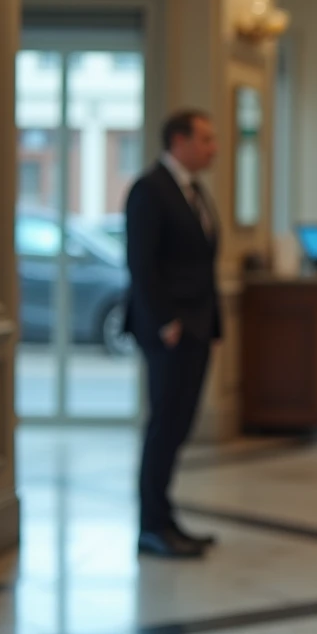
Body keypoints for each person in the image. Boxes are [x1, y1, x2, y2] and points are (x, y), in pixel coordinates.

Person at [124, 109, 222, 560]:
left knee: (180, 426)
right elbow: (141, 266)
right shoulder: (150, 190)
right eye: (205, 139)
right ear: (178, 141)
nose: (212, 148)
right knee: (164, 426)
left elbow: (201, 264)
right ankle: (150, 526)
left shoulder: (194, 191)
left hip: (199, 328)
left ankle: (165, 517)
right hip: (170, 331)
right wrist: (166, 321)